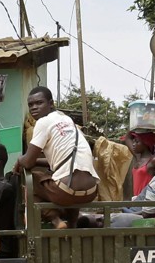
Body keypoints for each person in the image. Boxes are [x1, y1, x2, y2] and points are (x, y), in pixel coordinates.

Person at [13, 85, 100, 228]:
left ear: (51, 103)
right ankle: (72, 225)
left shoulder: (43, 122)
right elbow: (57, 161)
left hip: (65, 192)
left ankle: (55, 220)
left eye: (39, 103)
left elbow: (28, 162)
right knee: (61, 178)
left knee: (30, 180)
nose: (34, 107)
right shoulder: (67, 121)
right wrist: (37, 162)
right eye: (31, 105)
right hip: (91, 191)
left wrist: (19, 160)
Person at [123, 131, 155, 199]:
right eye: (133, 142)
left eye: (137, 142)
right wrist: (135, 127)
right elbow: (127, 138)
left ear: (146, 143)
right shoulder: (138, 158)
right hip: (136, 200)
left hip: (147, 201)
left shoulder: (153, 161)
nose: (133, 144)